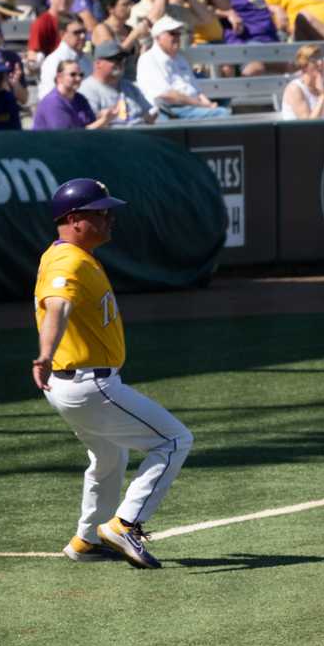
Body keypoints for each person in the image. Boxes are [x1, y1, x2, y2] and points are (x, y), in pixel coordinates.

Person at [33, 177, 197, 569]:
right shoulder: (67, 260)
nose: (110, 219)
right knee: (174, 440)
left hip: (75, 384)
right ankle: (126, 523)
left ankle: (86, 540)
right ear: (74, 219)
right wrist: (44, 353)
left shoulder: (73, 255)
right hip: (88, 384)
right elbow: (57, 307)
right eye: (100, 213)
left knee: (108, 456)